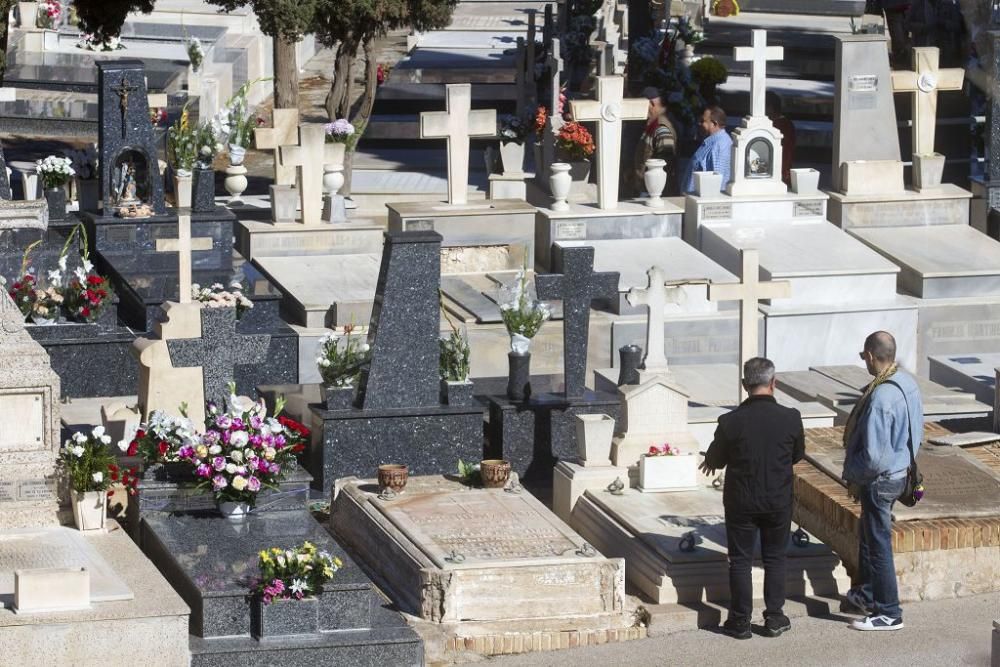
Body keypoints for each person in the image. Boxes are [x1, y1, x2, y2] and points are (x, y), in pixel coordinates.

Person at [700, 357, 804, 640]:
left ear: (745, 385)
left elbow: (716, 459)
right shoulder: (791, 418)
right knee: (775, 558)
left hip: (741, 501)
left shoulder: (731, 421)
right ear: (774, 383)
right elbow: (797, 454)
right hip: (778, 500)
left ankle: (740, 620)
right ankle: (774, 617)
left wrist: (710, 461)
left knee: (741, 560)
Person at [842, 331, 923, 631]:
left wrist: (852, 473)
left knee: (878, 546)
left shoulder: (880, 398)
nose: (864, 361)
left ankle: (889, 612)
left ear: (872, 356)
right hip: (901, 473)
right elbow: (918, 434)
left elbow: (874, 457)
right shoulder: (907, 384)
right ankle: (866, 594)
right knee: (868, 535)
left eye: (864, 356)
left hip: (880, 480)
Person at [624, 87, 679, 198]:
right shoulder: (653, 123)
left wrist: (652, 192)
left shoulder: (662, 127)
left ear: (652, 104)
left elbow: (665, 164)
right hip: (646, 187)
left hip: (653, 192)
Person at [682, 106, 732, 194]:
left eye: (703, 121)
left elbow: (717, 184)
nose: (699, 123)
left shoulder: (719, 146)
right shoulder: (713, 142)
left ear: (714, 124)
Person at [766, 91, 796, 186]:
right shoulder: (788, 123)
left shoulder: (778, 125)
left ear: (770, 108)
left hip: (779, 173)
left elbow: (786, 152)